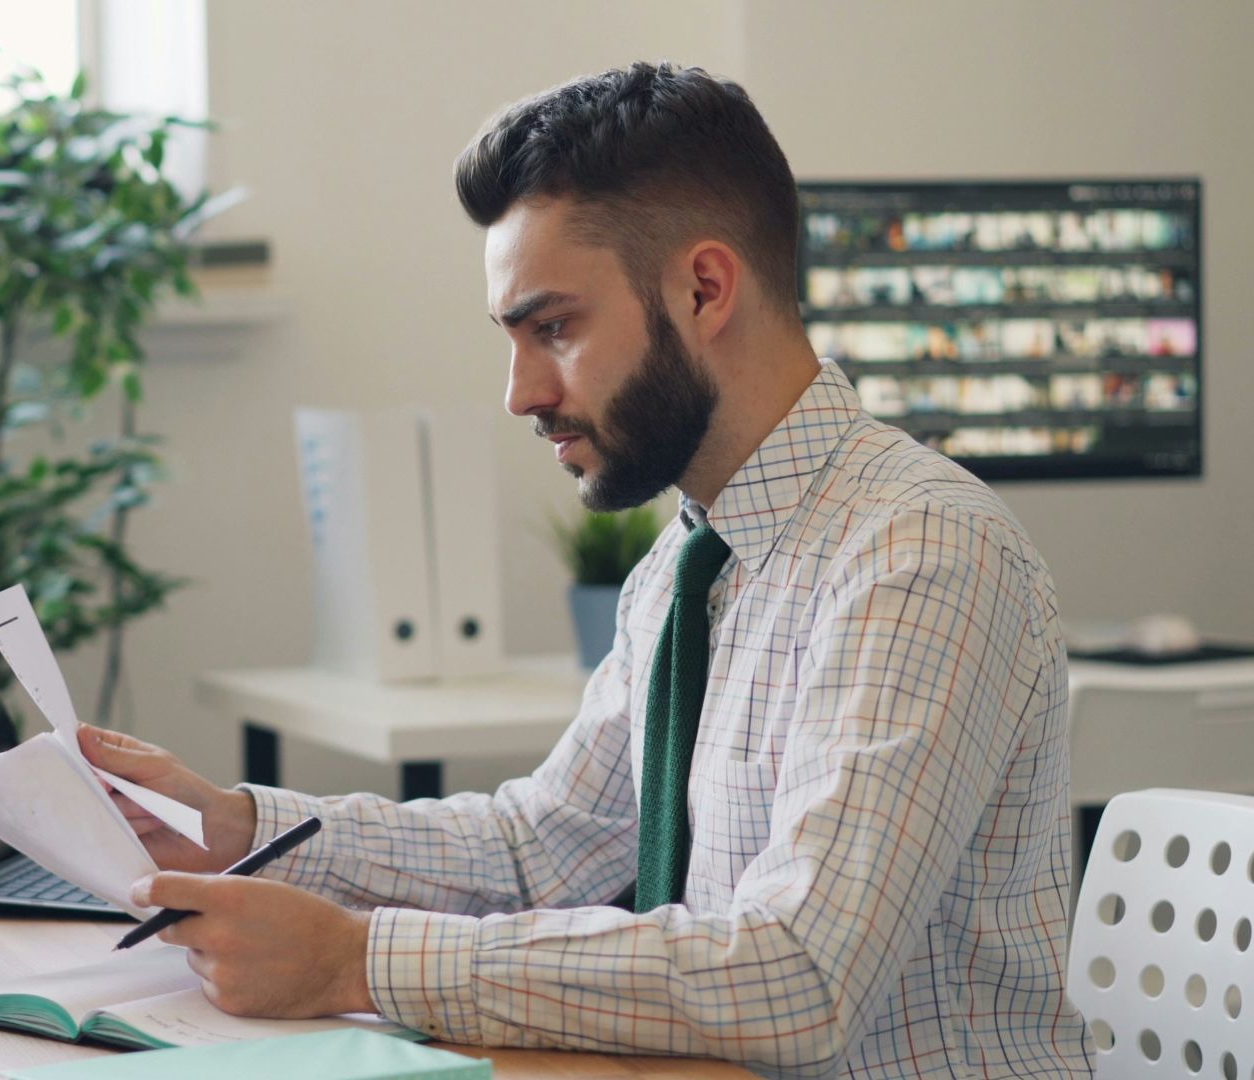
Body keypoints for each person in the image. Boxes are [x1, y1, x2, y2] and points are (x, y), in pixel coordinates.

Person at [80, 61, 1093, 1078]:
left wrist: (359, 962)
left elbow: (800, 974)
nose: (521, 393)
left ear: (704, 289)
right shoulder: (690, 564)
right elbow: (541, 847)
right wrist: (233, 825)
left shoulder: (920, 553)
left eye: (553, 328)